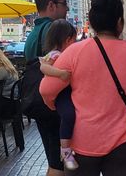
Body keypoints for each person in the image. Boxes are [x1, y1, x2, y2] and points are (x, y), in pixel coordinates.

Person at [40, 0, 126, 176]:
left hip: (81, 141)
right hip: (124, 142)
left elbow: (46, 90)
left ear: (92, 23)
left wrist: (59, 107)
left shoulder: (75, 52)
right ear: (120, 22)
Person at [24, 0, 69, 176]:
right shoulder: (54, 31)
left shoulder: (32, 34)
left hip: (39, 105)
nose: (67, 9)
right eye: (64, 4)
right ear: (52, 5)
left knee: (55, 160)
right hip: (55, 106)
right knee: (60, 164)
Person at [39, 20, 78, 170]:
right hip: (61, 94)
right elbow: (44, 67)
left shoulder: (68, 54)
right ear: (67, 39)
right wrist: (60, 73)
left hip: (68, 91)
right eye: (74, 39)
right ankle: (66, 152)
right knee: (69, 115)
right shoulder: (55, 54)